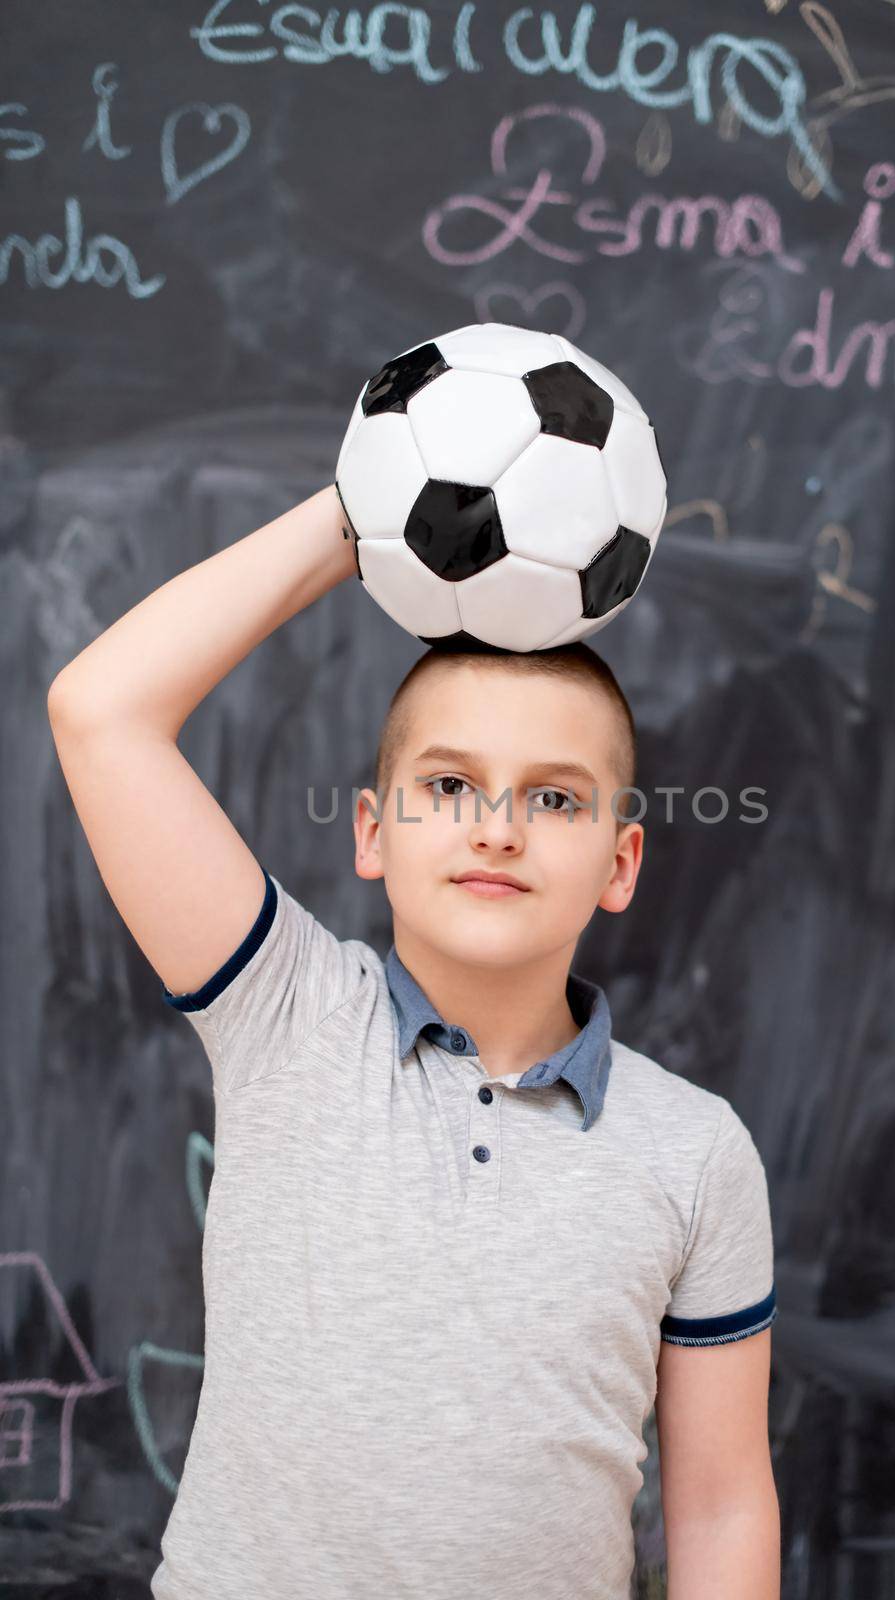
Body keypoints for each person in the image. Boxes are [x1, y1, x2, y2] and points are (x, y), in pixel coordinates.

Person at [46, 484, 781, 1600]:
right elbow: (100, 709)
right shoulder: (286, 1010)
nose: (496, 824)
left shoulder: (695, 1151)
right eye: (449, 784)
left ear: (620, 863)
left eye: (554, 799)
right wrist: (364, 519)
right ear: (372, 832)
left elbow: (722, 1506)